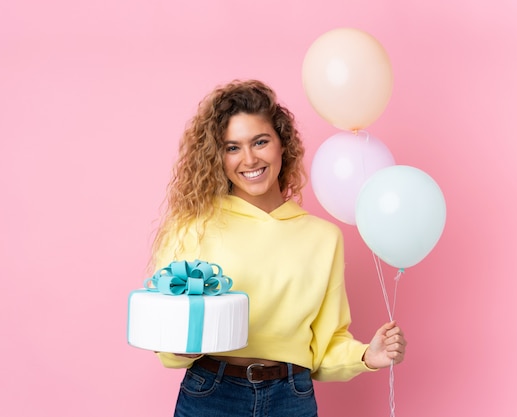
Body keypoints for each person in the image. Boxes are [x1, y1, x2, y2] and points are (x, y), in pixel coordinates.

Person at [149, 79, 407, 417]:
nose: (249, 158)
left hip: (291, 398)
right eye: (232, 147)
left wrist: (366, 356)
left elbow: (325, 347)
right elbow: (165, 334)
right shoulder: (191, 227)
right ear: (218, 156)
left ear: (282, 145)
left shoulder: (322, 238)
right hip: (211, 395)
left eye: (260, 141)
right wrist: (180, 347)